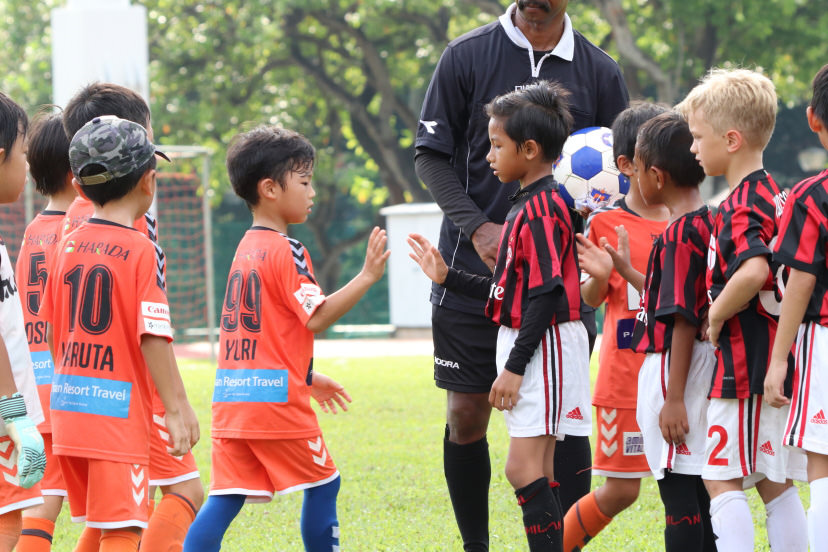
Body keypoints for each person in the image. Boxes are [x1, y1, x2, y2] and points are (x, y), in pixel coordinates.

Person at [414, 2, 628, 548]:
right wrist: (480, 231)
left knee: (566, 422)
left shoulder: (600, 70)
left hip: (556, 287)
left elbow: (622, 169)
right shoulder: (465, 55)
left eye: (499, 144)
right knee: (466, 414)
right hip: (471, 262)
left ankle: (564, 542)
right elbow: (431, 156)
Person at [182, 125, 389, 552]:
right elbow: (317, 317)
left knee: (225, 496)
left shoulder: (245, 248)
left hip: (233, 400)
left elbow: (264, 338)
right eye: (306, 181)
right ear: (271, 188)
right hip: (274, 407)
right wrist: (367, 276)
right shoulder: (286, 249)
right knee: (325, 484)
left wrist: (309, 378)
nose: (312, 192)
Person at [409, 81, 589, 551]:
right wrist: (448, 277)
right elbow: (511, 290)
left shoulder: (544, 209)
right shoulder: (527, 205)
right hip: (539, 345)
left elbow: (546, 296)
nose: (488, 156)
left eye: (496, 145)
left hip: (542, 348)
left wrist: (513, 368)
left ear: (529, 150)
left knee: (521, 468)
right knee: (541, 470)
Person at [39, 116, 198, 552]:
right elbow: (153, 334)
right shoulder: (141, 249)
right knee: (125, 529)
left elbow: (55, 330)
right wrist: (176, 406)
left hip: (68, 408)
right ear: (149, 181)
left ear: (80, 185)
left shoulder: (67, 245)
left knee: (111, 521)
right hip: (116, 414)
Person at [677, 68, 808, 552]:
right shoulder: (776, 192)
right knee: (774, 482)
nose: (692, 148)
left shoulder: (739, 204)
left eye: (697, 136)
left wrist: (714, 315)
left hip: (744, 365)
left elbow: (753, 272)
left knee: (720, 480)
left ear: (730, 140)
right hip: (771, 360)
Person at [605, 111, 717, 550]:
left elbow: (683, 319)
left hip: (677, 374)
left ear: (654, 174)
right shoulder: (709, 221)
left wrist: (672, 400)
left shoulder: (676, 235)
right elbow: (670, 297)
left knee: (678, 500)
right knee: (705, 495)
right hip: (704, 371)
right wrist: (630, 272)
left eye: (636, 164)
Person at [563, 102, 669, 550]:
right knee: (623, 490)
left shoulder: (685, 220)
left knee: (690, 490)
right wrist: (603, 277)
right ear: (626, 164)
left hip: (679, 378)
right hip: (623, 382)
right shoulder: (604, 223)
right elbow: (589, 298)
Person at [764, 62, 828, 552]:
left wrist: (779, 360)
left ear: (813, 119)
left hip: (822, 343)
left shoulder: (810, 196)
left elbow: (801, 280)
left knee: (822, 466)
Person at [13, 111, 75, 552]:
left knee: (44, 500)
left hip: (37, 387)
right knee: (120, 507)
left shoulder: (33, 232)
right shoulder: (80, 234)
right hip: (78, 387)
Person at [0, 92, 47, 551]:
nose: (29, 169)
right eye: (24, 155)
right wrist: (15, 418)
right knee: (9, 526)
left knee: (12, 518)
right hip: (3, 419)